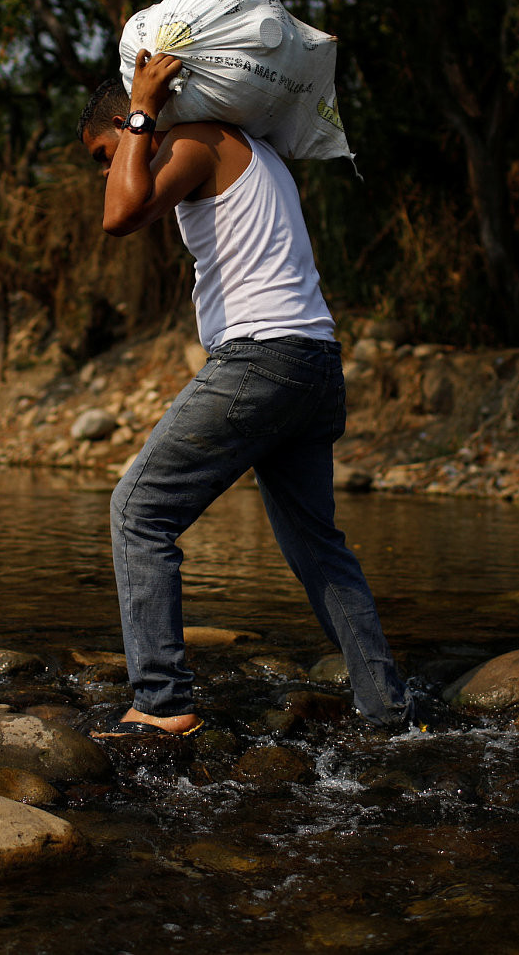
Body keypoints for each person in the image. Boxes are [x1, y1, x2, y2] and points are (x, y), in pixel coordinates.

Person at [77, 50, 428, 736]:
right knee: (317, 547)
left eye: (101, 151)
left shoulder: (192, 141)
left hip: (261, 359)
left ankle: (161, 701)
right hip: (316, 364)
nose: (105, 168)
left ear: (123, 120)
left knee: (138, 513)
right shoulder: (254, 149)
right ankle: (389, 713)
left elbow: (119, 214)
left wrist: (142, 113)